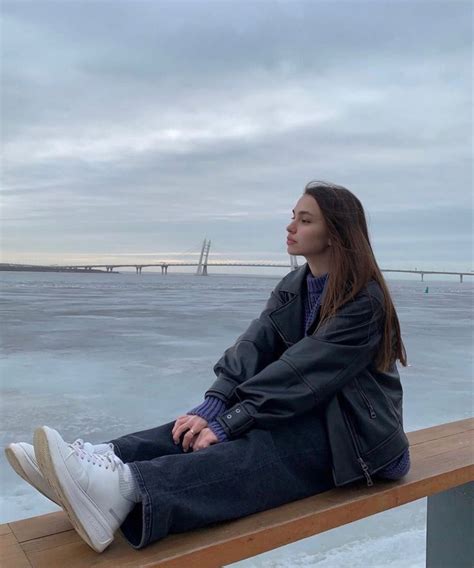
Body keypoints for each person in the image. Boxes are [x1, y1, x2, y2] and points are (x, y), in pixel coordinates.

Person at [5, 180, 411, 554]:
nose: (290, 227)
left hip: (360, 441)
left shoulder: (365, 303)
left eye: (305, 220)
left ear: (336, 234)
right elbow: (254, 345)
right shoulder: (296, 286)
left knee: (254, 446)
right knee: (192, 425)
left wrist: (233, 420)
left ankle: (125, 489)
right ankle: (102, 460)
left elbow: (302, 372)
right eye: (293, 216)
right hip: (310, 411)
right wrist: (217, 402)